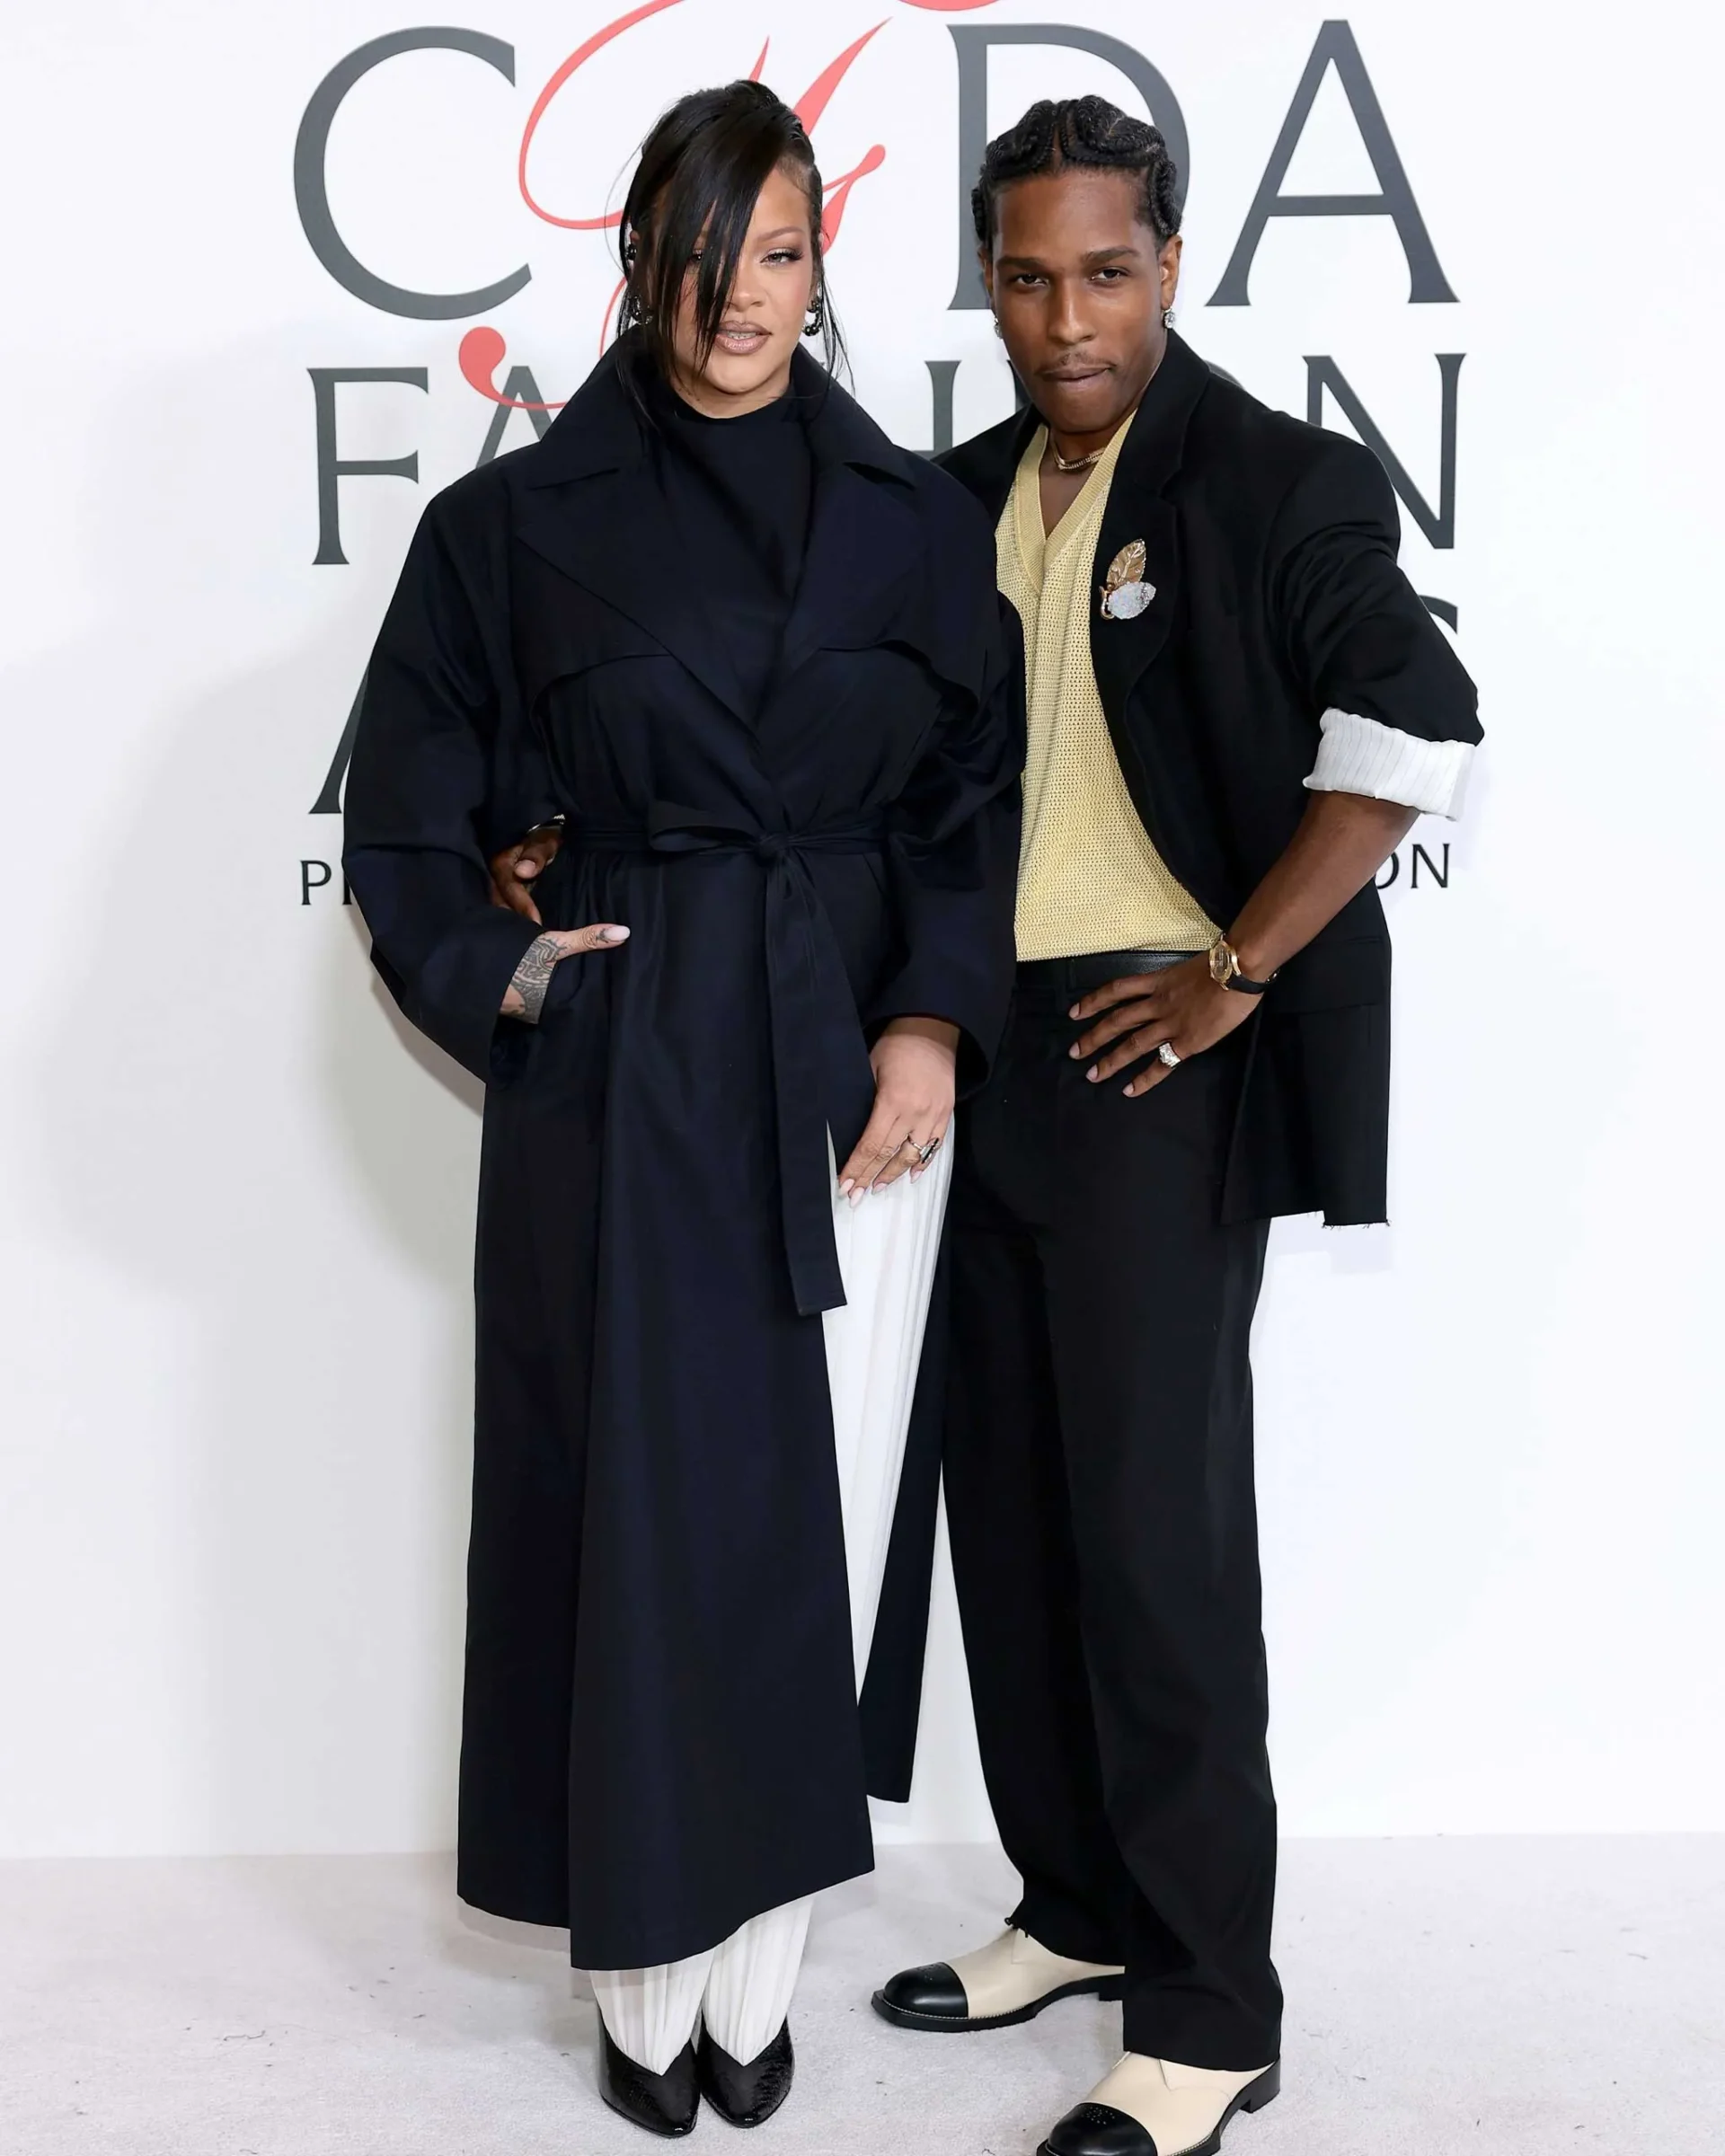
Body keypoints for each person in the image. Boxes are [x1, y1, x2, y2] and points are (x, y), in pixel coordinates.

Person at [342, 80, 1021, 2140]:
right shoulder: (505, 533)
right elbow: (406, 827)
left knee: (816, 1532)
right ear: (640, 256)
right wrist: (515, 974)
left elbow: (967, 802)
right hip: (628, 1081)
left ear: (824, 263)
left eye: (782, 251)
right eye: (708, 254)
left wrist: (931, 1024)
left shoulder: (919, 522)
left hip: (854, 1078)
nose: (744, 297)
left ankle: (760, 1976)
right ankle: (647, 1984)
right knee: (640, 1536)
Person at [862, 98, 1482, 2156]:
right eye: (1029, 278)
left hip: (1156, 1054)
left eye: (1107, 273)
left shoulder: (1277, 478)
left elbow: (1414, 726)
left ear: (1173, 264)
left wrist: (1237, 964)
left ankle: (1209, 2012)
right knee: (1011, 1515)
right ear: (989, 280)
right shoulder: (952, 498)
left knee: (1154, 1543)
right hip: (978, 1054)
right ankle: (1078, 1911)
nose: (1069, 320)